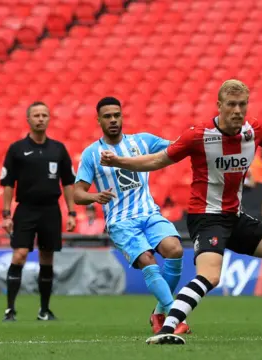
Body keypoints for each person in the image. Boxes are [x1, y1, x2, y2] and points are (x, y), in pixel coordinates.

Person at [100, 79, 262, 345]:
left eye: (242, 104)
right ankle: (168, 327)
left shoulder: (253, 130)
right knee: (210, 276)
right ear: (219, 106)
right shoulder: (198, 135)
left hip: (235, 216)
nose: (237, 110)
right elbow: (157, 159)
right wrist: (120, 161)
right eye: (231, 105)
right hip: (207, 217)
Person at [73, 97, 188, 334]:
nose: (113, 120)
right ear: (99, 120)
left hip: (149, 214)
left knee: (175, 250)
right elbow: (77, 194)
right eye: (107, 116)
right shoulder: (91, 154)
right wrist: (95, 197)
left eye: (117, 115)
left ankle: (158, 314)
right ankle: (176, 319)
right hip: (121, 222)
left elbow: (177, 147)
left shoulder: (142, 141)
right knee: (147, 259)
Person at [0, 101, 77, 321]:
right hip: (25, 209)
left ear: (49, 119)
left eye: (44, 115)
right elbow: (8, 183)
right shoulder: (16, 149)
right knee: (20, 254)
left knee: (47, 257)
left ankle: (44, 310)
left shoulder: (58, 149)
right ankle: (10, 309)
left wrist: (72, 213)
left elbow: (68, 182)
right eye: (36, 115)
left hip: (51, 210)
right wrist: (6, 214)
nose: (41, 118)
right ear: (28, 119)